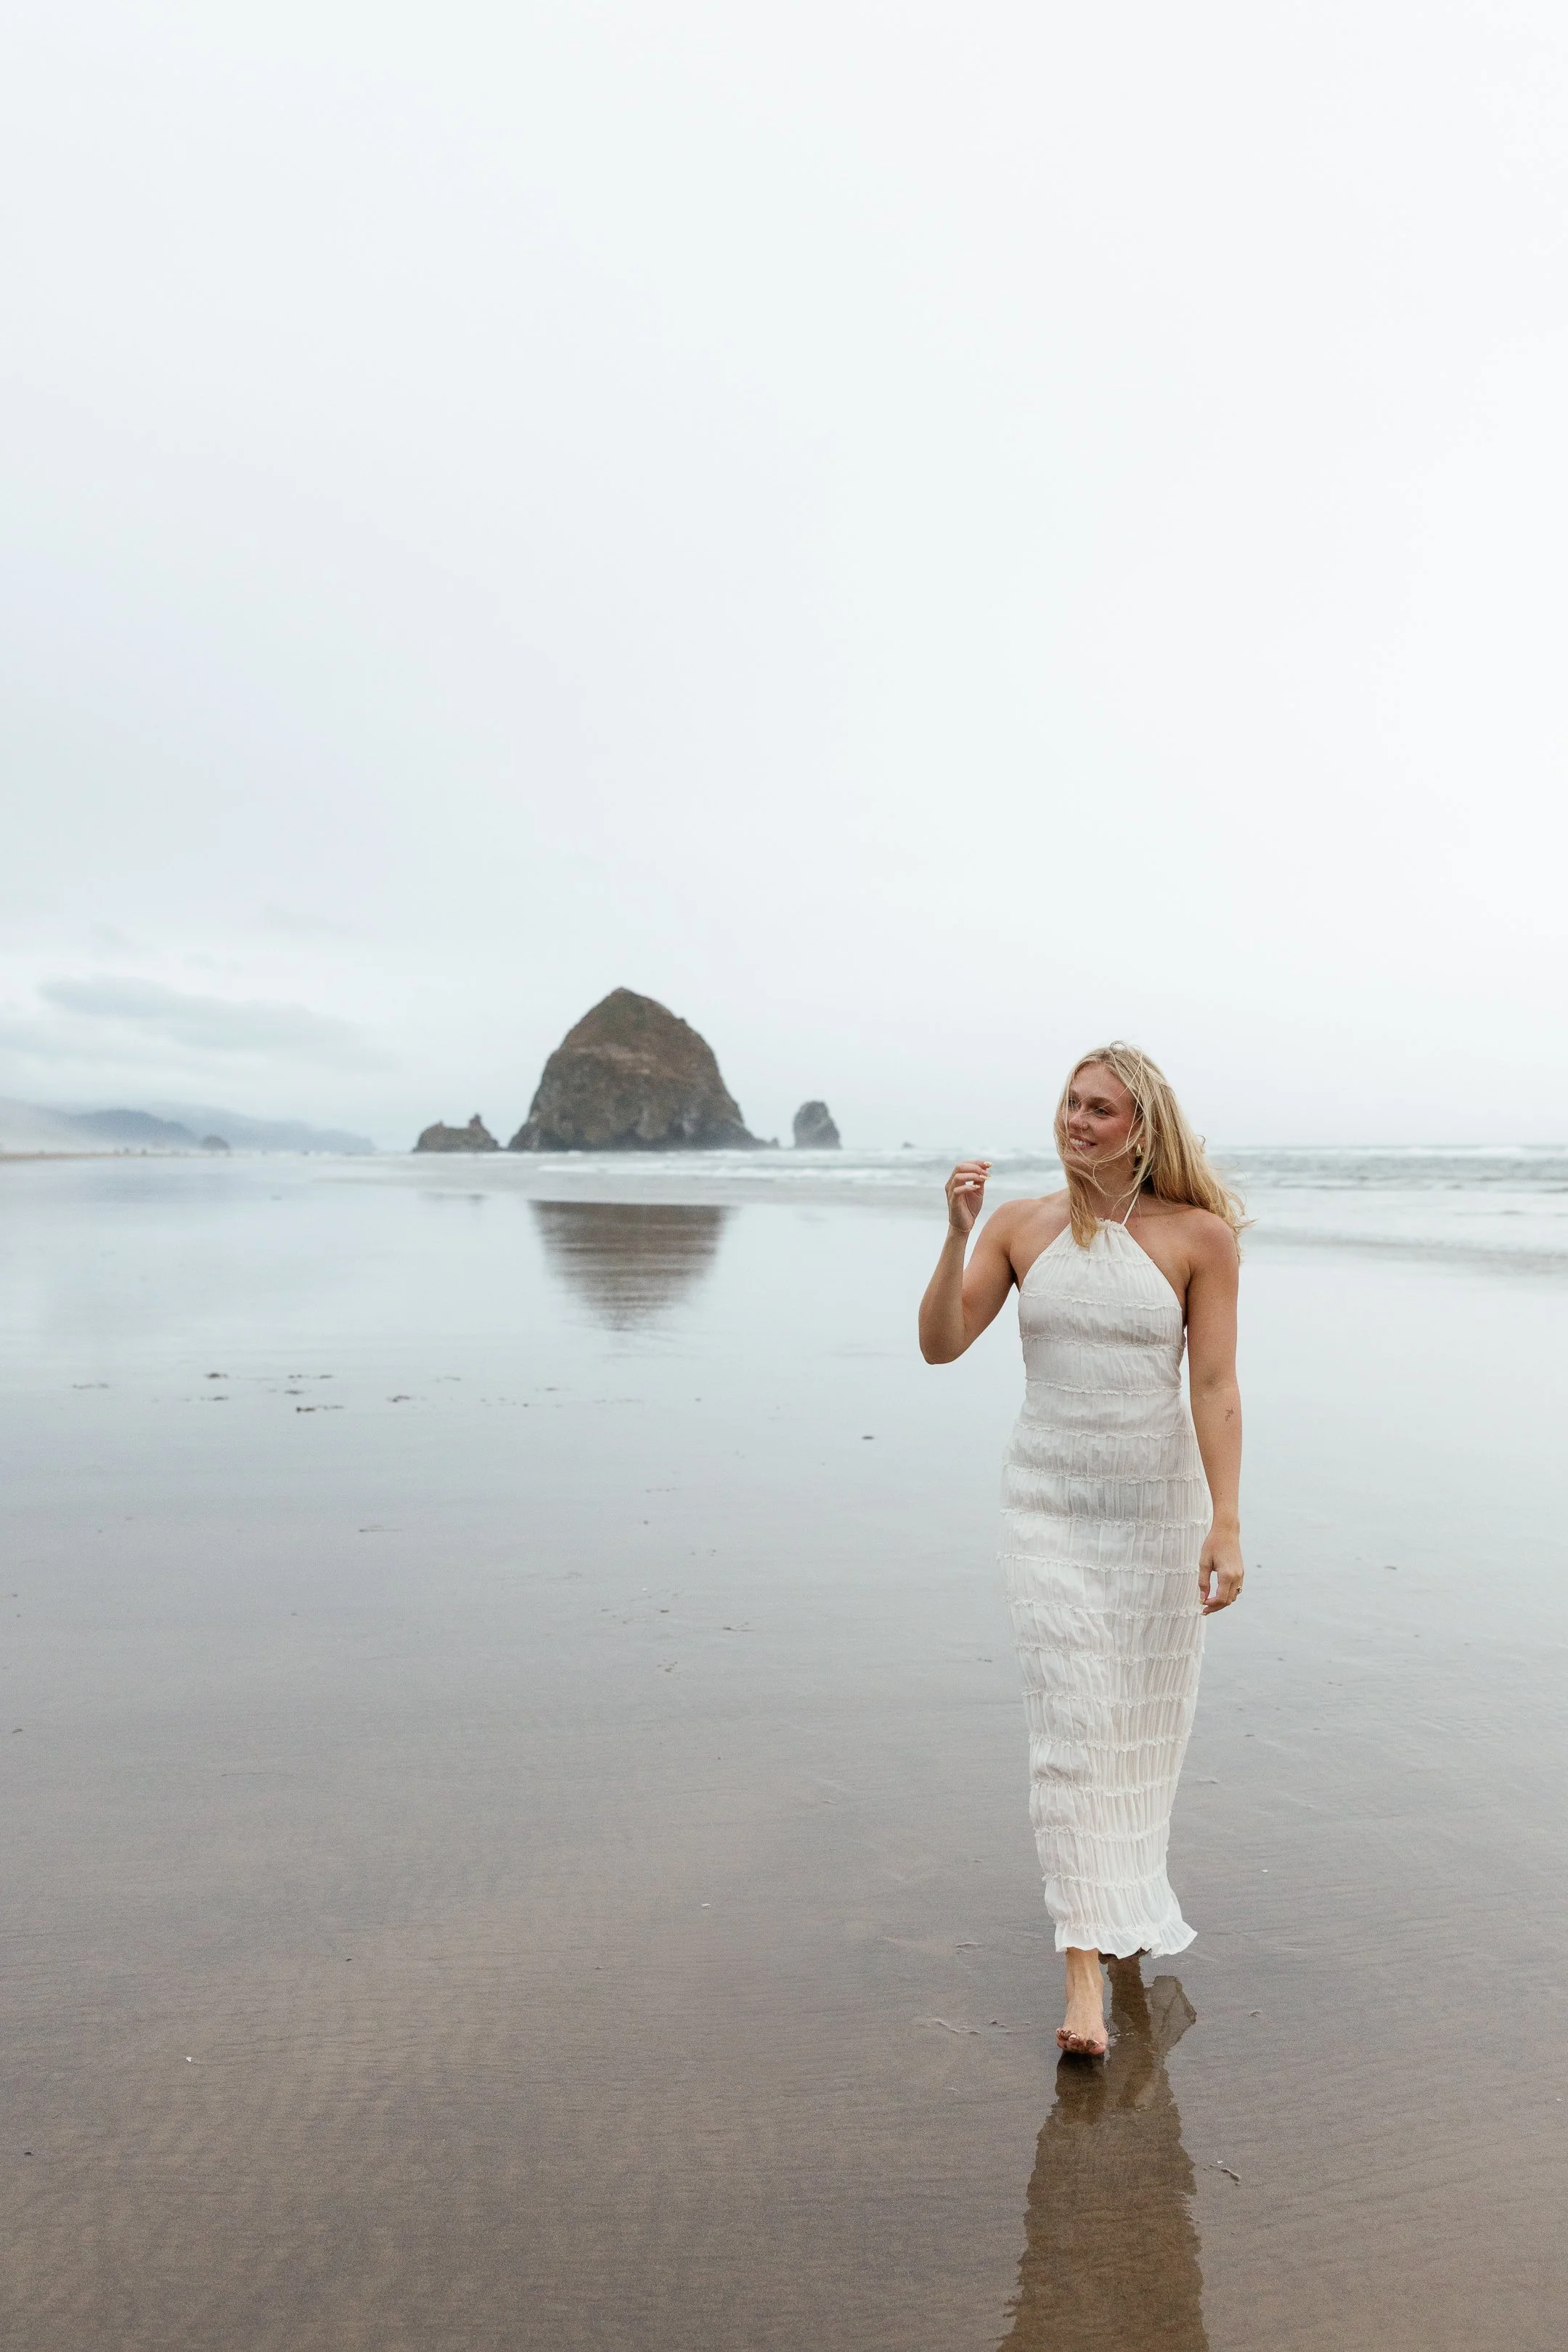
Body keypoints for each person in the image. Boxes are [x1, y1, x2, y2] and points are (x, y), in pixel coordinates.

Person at [919, 1045, 1244, 2057]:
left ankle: (1116, 1905)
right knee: (1071, 1728)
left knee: (1138, 1731)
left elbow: (1217, 1388)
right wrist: (956, 1236)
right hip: (1047, 1510)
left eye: (1099, 1108)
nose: (1076, 1120)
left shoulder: (1200, 1238)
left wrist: (1226, 1519)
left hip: (1155, 1516)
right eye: (1069, 1101)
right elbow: (940, 1343)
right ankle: (1081, 1976)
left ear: (1141, 1127)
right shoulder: (1020, 1227)